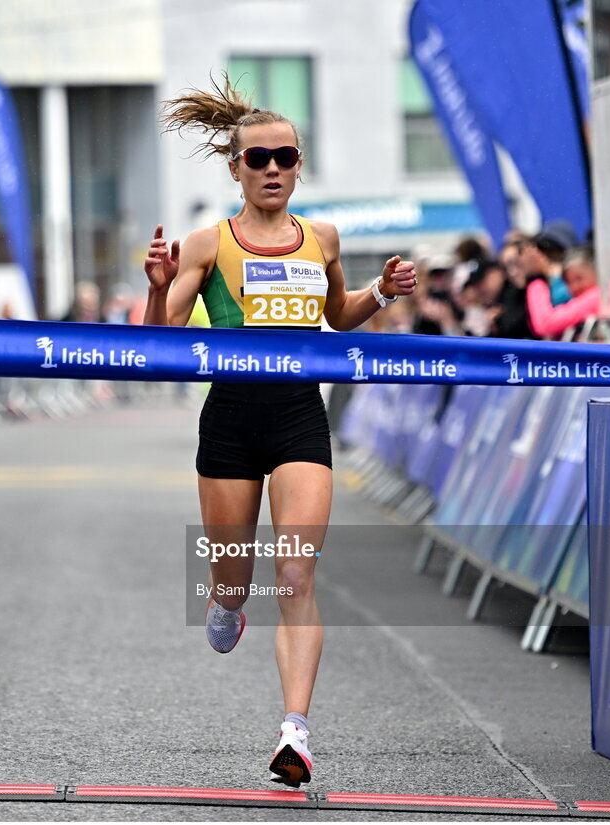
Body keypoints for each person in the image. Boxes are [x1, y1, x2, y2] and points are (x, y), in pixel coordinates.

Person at [142, 75, 417, 788]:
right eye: (257, 158)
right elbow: (157, 340)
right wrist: (155, 284)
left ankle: (294, 732)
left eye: (285, 157)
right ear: (235, 167)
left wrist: (381, 291)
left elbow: (339, 313)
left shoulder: (321, 236)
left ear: (299, 164)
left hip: (298, 416)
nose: (272, 170)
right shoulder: (210, 243)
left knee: (295, 570)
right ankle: (227, 599)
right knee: (235, 584)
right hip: (230, 423)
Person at [526, 245, 601, 339]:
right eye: (568, 282)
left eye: (579, 278)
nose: (574, 287)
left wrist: (536, 278)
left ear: (598, 273)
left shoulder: (596, 296)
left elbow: (546, 324)